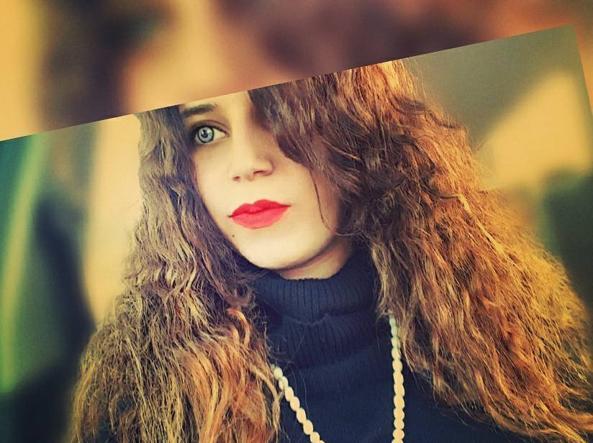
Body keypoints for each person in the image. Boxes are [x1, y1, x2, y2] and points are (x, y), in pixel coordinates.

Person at [70, 60, 593, 442]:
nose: (246, 162)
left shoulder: (512, 348)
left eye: (278, 112)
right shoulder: (145, 403)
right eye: (205, 131)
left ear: (357, 130)